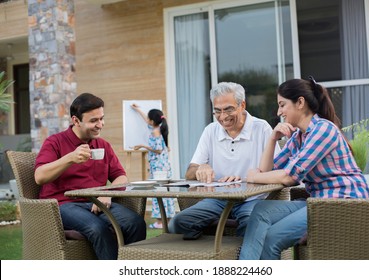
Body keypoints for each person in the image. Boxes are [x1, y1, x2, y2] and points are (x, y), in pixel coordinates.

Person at [239, 77, 369, 260]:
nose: (279, 112)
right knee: (261, 210)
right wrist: (272, 138)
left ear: (300, 102)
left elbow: (289, 177)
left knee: (272, 237)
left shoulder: (323, 130)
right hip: (319, 201)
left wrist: (252, 177)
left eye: (282, 105)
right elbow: (268, 170)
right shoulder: (298, 137)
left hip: (345, 203)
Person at [34, 93, 146, 260]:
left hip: (96, 203)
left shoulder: (103, 145)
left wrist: (107, 194)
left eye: (101, 119)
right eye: (94, 121)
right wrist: (70, 158)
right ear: (76, 121)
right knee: (97, 228)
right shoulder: (55, 142)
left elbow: (121, 177)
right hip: (63, 205)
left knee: (136, 223)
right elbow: (39, 177)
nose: (100, 125)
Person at [168, 82, 279, 238]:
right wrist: (202, 167)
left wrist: (246, 180)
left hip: (251, 200)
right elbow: (189, 173)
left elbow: (277, 171)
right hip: (218, 200)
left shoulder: (262, 128)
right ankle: (210, 256)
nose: (223, 117)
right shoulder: (210, 130)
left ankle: (238, 259)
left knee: (251, 223)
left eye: (229, 109)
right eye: (217, 111)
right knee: (178, 222)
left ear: (242, 105)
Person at [131, 104, 176, 229]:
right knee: (164, 192)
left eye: (149, 119)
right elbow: (146, 119)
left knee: (158, 193)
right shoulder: (160, 128)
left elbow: (158, 149)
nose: (147, 121)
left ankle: (160, 222)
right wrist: (137, 109)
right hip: (163, 166)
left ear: (152, 121)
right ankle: (167, 219)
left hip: (159, 168)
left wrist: (142, 145)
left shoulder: (156, 131)